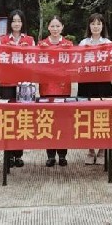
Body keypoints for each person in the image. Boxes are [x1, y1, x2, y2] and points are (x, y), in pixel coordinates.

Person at [0, 9, 34, 168]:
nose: (16, 24)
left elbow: (35, 60)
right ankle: (8, 155)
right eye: (14, 21)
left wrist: (24, 50)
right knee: (7, 117)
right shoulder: (3, 40)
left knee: (22, 118)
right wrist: (9, 49)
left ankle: (18, 154)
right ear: (9, 24)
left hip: (24, 84)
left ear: (23, 23)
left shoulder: (30, 40)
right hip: (7, 83)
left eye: (19, 21)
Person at [77, 13, 112, 165]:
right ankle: (91, 150)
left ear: (103, 26)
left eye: (99, 23)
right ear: (89, 26)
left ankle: (102, 150)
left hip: (103, 84)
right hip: (86, 84)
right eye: (93, 24)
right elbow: (77, 62)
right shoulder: (83, 43)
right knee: (87, 117)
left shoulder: (108, 43)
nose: (96, 26)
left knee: (103, 116)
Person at [38, 15, 73, 167]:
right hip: (46, 88)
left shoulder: (68, 45)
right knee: (48, 121)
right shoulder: (41, 45)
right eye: (52, 26)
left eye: (58, 26)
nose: (55, 29)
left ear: (62, 27)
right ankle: (51, 155)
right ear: (48, 27)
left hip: (63, 88)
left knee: (63, 122)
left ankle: (63, 155)